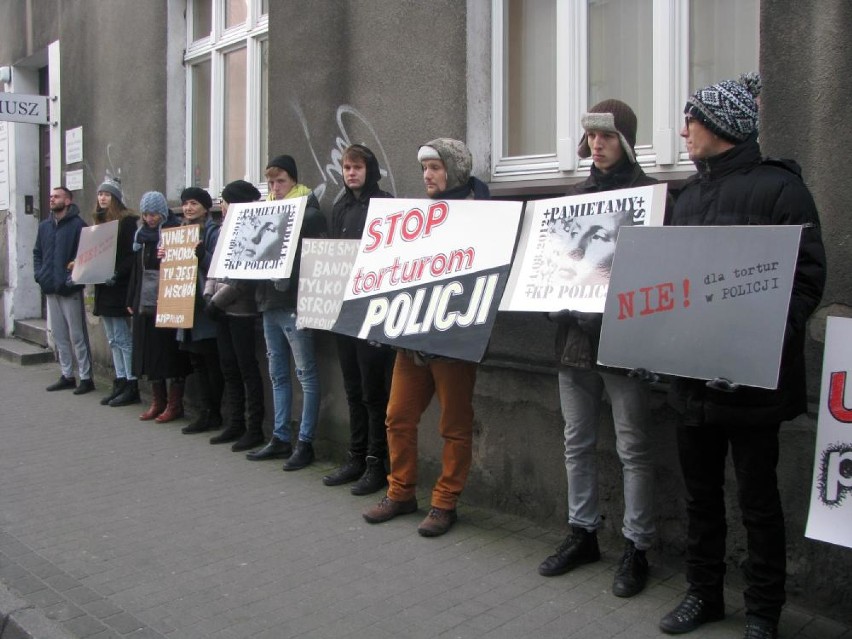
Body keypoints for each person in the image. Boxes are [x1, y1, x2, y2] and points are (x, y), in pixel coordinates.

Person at [658, 79, 825, 639]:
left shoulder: (783, 191)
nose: (683, 132)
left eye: (691, 120)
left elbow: (805, 283)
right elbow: (674, 283)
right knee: (701, 497)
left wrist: (751, 339)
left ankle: (762, 612)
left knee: (758, 500)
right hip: (692, 383)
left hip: (752, 384)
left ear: (722, 125)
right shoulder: (686, 196)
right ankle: (703, 594)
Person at [537, 100, 666, 598]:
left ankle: (638, 545)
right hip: (573, 342)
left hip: (623, 342)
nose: (597, 144)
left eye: (607, 136)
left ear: (626, 140)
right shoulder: (572, 200)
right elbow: (552, 267)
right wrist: (550, 298)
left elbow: (656, 275)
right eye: (591, 136)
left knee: (633, 445)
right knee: (577, 440)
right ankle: (582, 532)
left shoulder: (649, 200)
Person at [362, 138, 489, 537]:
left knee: (454, 425)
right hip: (411, 340)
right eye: (424, 169)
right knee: (397, 417)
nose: (428, 176)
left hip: (453, 340)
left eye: (435, 167)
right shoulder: (417, 218)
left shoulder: (482, 216)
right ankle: (400, 493)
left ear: (454, 169)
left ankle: (445, 502)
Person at [322, 144, 396, 495]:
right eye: (346, 167)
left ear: (369, 170)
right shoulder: (340, 207)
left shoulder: (384, 204)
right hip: (343, 309)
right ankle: (355, 456)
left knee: (373, 391)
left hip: (372, 311)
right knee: (352, 387)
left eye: (357, 167)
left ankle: (376, 462)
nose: (351, 173)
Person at [247, 155, 327, 469]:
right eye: (270, 182)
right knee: (278, 374)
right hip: (268, 303)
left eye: (280, 181)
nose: (275, 187)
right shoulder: (265, 212)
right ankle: (280, 438)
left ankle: (305, 442)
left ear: (293, 180)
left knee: (305, 374)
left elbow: (315, 260)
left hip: (294, 304)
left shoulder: (308, 212)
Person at [203, 180, 266, 450]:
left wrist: (217, 301)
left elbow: (242, 278)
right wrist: (209, 296)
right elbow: (215, 269)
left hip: (240, 310)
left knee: (246, 368)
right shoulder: (223, 231)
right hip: (221, 310)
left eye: (225, 202)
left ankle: (254, 428)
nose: (222, 207)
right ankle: (235, 422)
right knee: (229, 367)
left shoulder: (252, 232)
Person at [127, 191, 191, 423]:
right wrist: (131, 300)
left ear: (163, 213)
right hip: (145, 301)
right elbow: (137, 271)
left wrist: (170, 254)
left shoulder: (175, 232)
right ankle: (158, 400)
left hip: (169, 300)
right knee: (150, 353)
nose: (149, 219)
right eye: (145, 214)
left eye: (153, 214)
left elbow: (183, 263)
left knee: (170, 354)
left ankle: (175, 404)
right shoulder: (140, 237)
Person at [33, 186, 95, 395]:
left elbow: (87, 256)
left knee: (77, 335)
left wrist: (73, 277)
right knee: (59, 335)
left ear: (68, 201)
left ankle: (86, 377)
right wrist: (39, 275)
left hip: (70, 289)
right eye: (50, 196)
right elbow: (37, 253)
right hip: (50, 287)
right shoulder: (44, 226)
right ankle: (67, 374)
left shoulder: (79, 226)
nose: (52, 199)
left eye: (57, 196)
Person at [174, 187, 225, 435]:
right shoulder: (179, 232)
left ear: (206, 207)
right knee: (197, 362)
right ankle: (205, 411)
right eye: (185, 204)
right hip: (186, 307)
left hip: (205, 306)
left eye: (194, 203)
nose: (188, 208)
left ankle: (213, 412)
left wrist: (202, 254)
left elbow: (216, 267)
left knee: (210, 361)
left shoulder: (213, 232)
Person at [92, 176, 141, 406]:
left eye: (107, 194)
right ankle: (119, 379)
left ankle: (132, 383)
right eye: (100, 194)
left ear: (116, 198)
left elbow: (131, 256)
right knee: (112, 338)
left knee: (123, 338)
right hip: (103, 287)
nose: (102, 198)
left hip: (119, 287)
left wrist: (117, 274)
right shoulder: (98, 223)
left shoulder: (128, 221)